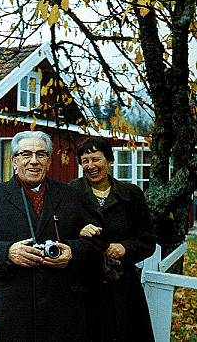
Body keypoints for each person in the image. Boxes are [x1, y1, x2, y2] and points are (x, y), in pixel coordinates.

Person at [0, 130, 101, 342]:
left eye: (41, 154)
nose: (34, 161)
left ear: (49, 161)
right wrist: (7, 253)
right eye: (26, 154)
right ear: (14, 161)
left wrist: (73, 253)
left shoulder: (72, 196)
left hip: (64, 312)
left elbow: (96, 242)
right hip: (14, 312)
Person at [70, 136, 157, 342]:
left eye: (96, 159)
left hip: (124, 288)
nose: (90, 166)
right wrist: (79, 233)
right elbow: (57, 234)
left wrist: (125, 247)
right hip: (85, 287)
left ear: (110, 161)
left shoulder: (132, 194)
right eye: (85, 161)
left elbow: (147, 240)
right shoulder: (71, 192)